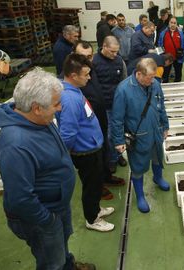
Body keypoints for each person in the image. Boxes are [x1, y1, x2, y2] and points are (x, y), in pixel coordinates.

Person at [0, 68, 96, 270]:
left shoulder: (39, 120)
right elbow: (20, 198)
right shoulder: (15, 145)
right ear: (36, 107)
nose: (59, 108)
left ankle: (68, 265)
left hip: (57, 205)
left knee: (61, 247)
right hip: (41, 217)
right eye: (56, 104)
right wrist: (48, 221)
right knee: (51, 261)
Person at [56, 54, 115, 232]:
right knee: (91, 187)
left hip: (91, 147)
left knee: (96, 184)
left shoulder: (74, 91)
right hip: (85, 152)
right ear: (73, 76)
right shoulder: (70, 99)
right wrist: (66, 155)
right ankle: (92, 219)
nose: (89, 77)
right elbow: (67, 133)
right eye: (86, 74)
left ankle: (96, 210)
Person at [111, 58, 170, 213]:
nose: (152, 81)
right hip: (139, 136)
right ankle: (140, 196)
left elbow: (161, 106)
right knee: (138, 166)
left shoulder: (155, 84)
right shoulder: (123, 90)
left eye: (153, 77)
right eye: (149, 78)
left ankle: (158, 178)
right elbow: (117, 119)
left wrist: (165, 126)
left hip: (156, 132)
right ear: (138, 74)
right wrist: (118, 140)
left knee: (157, 157)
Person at [72, 40, 123, 200]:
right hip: (87, 127)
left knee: (104, 151)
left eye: (89, 56)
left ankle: (107, 177)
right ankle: (98, 188)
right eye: (82, 56)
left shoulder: (90, 69)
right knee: (92, 163)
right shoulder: (72, 77)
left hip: (100, 118)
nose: (86, 60)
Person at [92, 36, 128, 173]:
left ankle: (117, 155)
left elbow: (124, 81)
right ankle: (111, 159)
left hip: (117, 104)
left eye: (116, 51)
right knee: (108, 134)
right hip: (103, 105)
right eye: (112, 51)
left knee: (118, 131)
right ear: (104, 47)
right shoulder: (94, 61)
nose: (115, 54)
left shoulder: (119, 61)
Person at [158, 16, 184, 83]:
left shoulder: (181, 33)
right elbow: (159, 44)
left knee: (178, 74)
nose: (173, 24)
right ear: (169, 23)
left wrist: (183, 53)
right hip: (166, 58)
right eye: (171, 22)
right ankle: (165, 87)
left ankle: (178, 85)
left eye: (174, 23)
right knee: (165, 75)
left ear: (177, 24)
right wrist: (161, 56)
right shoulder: (163, 33)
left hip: (177, 58)